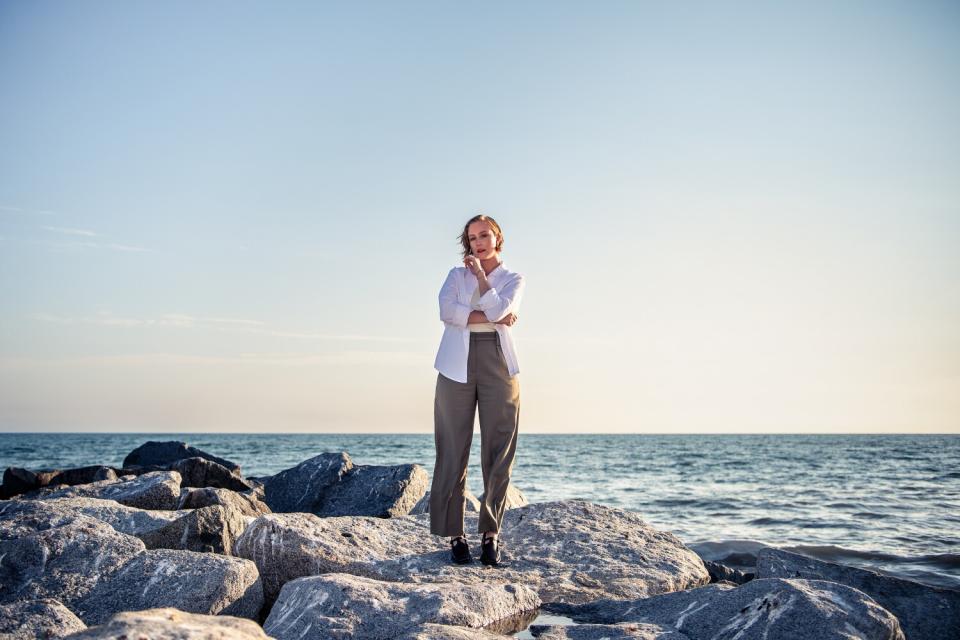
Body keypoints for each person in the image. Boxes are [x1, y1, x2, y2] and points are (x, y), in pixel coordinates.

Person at [430, 214, 525, 566]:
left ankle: (491, 533)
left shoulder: (514, 278)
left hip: (498, 361)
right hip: (455, 363)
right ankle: (455, 535)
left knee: (499, 445)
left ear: (497, 238)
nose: (478, 242)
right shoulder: (455, 276)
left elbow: (501, 308)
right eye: (472, 238)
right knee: (452, 446)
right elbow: (445, 310)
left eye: (484, 235)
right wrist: (488, 315)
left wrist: (483, 283)